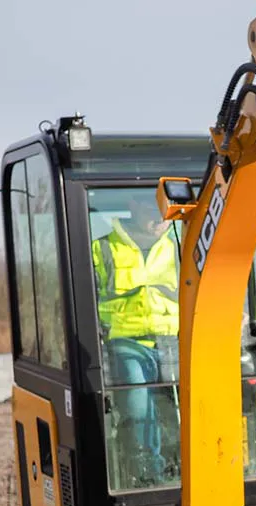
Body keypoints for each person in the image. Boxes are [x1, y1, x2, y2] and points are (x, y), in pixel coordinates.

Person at [93, 196, 180, 485]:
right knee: (139, 405)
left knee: (185, 408)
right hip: (126, 341)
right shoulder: (103, 248)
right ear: (133, 205)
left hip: (173, 340)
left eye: (165, 212)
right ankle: (146, 473)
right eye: (152, 210)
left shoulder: (180, 246)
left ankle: (186, 465)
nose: (161, 218)